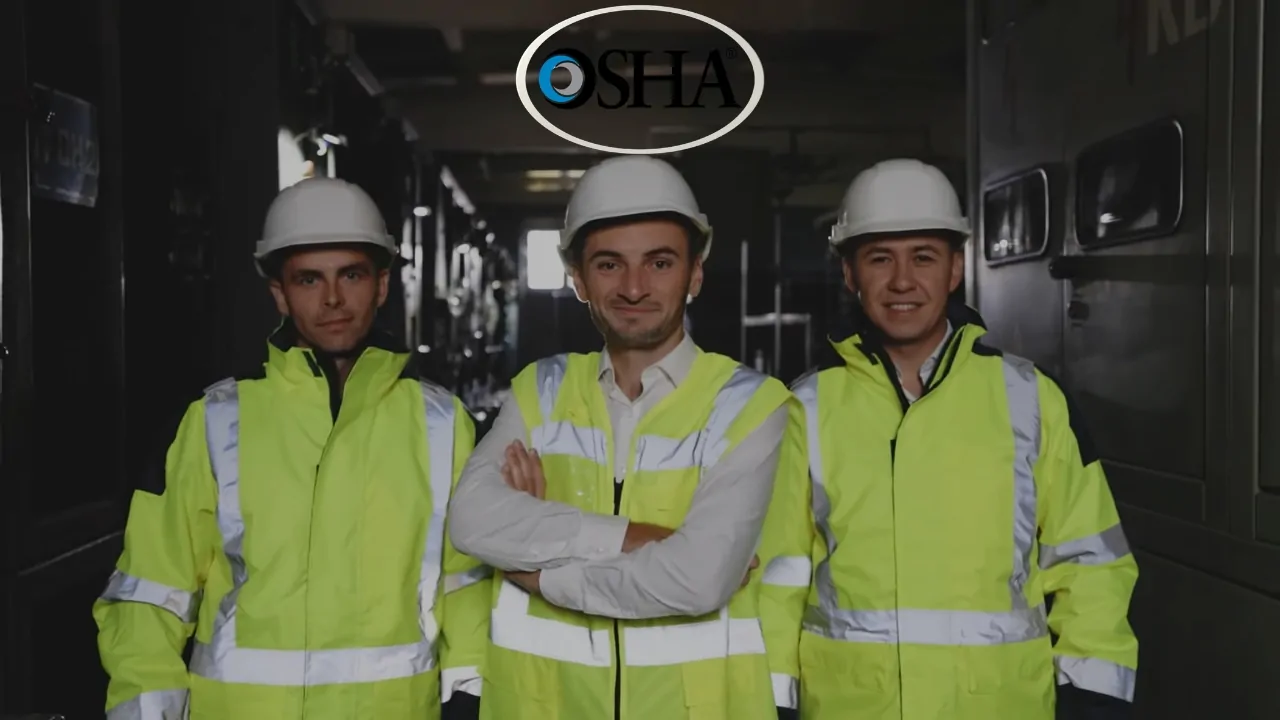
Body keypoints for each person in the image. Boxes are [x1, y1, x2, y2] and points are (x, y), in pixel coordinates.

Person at [93, 177, 489, 719]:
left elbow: (468, 589)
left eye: (350, 274)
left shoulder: (445, 425)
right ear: (279, 292)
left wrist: (470, 702)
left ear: (381, 284)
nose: (332, 299)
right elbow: (150, 596)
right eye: (308, 279)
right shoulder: (214, 422)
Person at [447, 155, 811, 720]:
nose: (635, 287)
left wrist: (538, 572)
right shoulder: (540, 389)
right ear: (578, 279)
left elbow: (698, 581)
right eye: (610, 264)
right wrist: (642, 538)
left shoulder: (750, 404)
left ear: (694, 274)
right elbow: (471, 522)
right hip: (548, 705)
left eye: (660, 263)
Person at [788, 159, 1139, 720]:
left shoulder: (1031, 399)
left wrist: (1092, 702)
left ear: (955, 269)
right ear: (850, 274)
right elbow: (778, 584)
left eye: (923, 257)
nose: (903, 281)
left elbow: (1089, 564)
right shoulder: (802, 410)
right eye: (880, 258)